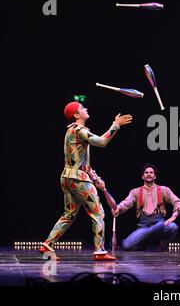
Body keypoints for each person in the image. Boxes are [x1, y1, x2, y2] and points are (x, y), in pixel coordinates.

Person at [39, 101, 133, 261]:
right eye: (82, 108)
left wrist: (96, 179)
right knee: (98, 212)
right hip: (77, 179)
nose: (86, 109)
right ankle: (100, 251)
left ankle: (47, 245)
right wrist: (115, 125)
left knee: (69, 214)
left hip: (68, 178)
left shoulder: (74, 131)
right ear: (76, 115)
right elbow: (102, 142)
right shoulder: (78, 130)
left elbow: (84, 164)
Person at [112, 163, 180, 252]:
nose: (149, 174)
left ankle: (163, 243)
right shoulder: (136, 192)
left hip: (159, 223)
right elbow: (126, 203)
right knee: (126, 245)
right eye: (146, 172)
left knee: (173, 227)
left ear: (155, 176)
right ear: (143, 176)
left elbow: (177, 202)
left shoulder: (163, 190)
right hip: (143, 226)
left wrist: (174, 216)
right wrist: (117, 208)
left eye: (151, 172)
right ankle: (142, 242)